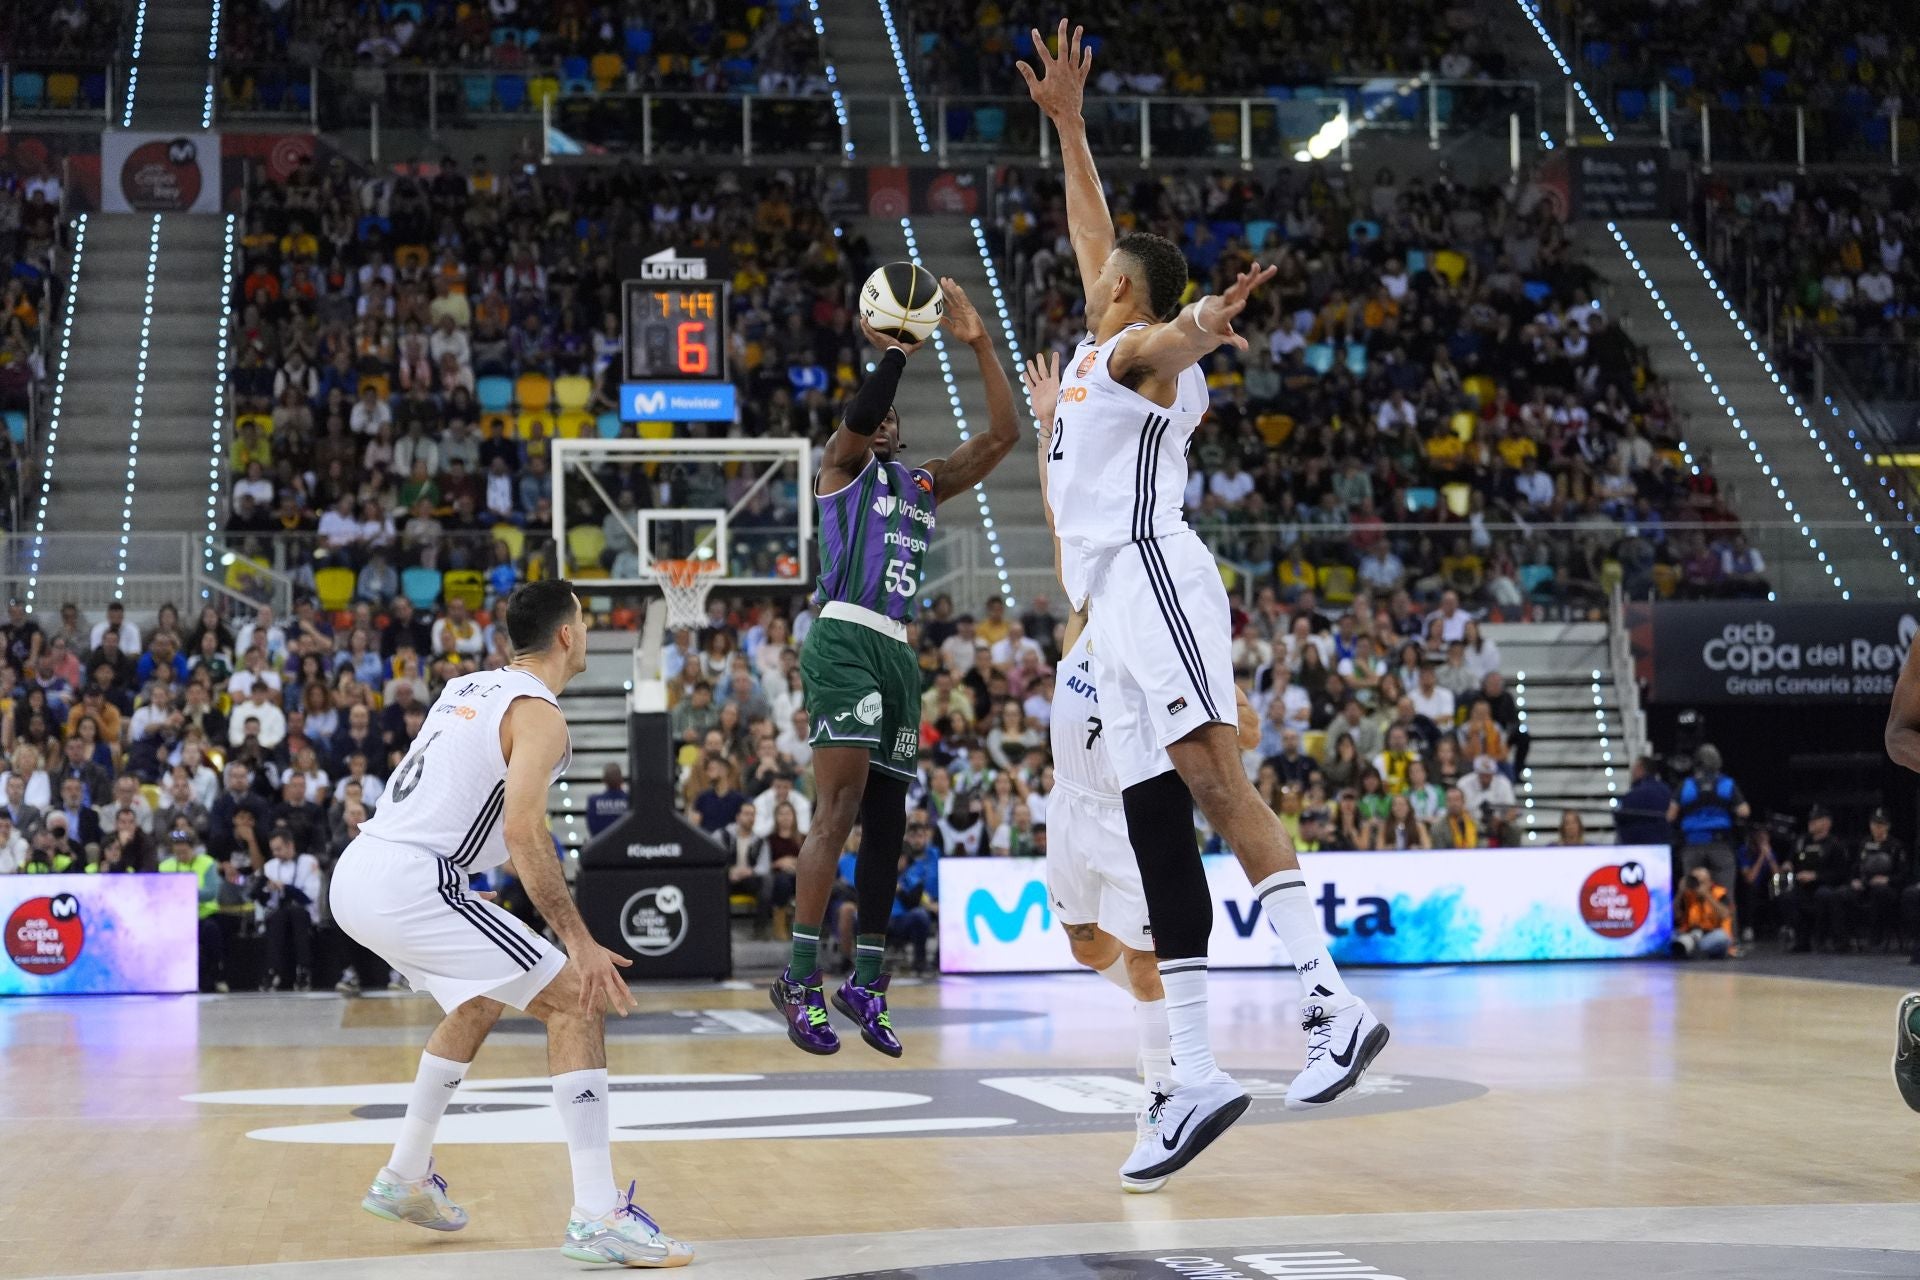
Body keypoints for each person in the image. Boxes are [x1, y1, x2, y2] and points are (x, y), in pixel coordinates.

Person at [1020, 20, 1385, 1187]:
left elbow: (1163, 334)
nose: (1093, 269)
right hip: (1107, 610)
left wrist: (1197, 327)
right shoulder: (1094, 346)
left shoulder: (1136, 355)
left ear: (1128, 291)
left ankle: (1331, 1005)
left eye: (1110, 271)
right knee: (1155, 823)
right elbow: (1094, 231)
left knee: (1218, 779)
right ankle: (1190, 1070)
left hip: (1152, 574)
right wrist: (1071, 125)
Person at [327, 581, 694, 1266]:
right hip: (413, 879)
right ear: (567, 635)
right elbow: (523, 831)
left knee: (480, 999)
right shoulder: (541, 715)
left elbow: (444, 786)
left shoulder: (465, 686)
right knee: (575, 1001)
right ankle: (597, 1215)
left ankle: (405, 1173)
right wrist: (579, 942)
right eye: (584, 621)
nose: (585, 632)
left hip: (363, 867)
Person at [773, 279, 1019, 1059]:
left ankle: (867, 984)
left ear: (903, 435)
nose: (880, 418)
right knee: (836, 810)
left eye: (891, 417)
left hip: (897, 651)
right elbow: (857, 412)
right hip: (844, 635)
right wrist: (897, 351)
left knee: (889, 825)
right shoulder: (841, 469)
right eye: (871, 413)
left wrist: (979, 345)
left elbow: (1004, 436)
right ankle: (801, 979)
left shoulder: (924, 483)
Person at [1667, 744, 1748, 910]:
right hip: (1721, 846)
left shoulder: (1686, 785)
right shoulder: (1727, 784)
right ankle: (1727, 934)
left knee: (1692, 891)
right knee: (1725, 893)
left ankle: (1693, 932)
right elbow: (1744, 811)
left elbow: (1671, 816)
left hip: (1692, 846)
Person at [254, 826, 321, 988]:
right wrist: (266, 890)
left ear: (290, 845)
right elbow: (267, 901)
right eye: (273, 850)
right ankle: (272, 970)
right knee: (278, 917)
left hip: (303, 910)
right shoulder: (270, 866)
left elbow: (310, 896)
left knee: (295, 914)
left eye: (279, 849)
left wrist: (284, 887)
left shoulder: (308, 862)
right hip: (280, 911)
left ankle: (303, 970)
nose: (276, 854)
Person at [1671, 866, 1733, 959]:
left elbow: (1725, 914)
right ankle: (1691, 950)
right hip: (1690, 934)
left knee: (1722, 937)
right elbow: (1676, 915)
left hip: (1710, 935)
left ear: (1709, 882)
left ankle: (1690, 950)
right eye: (1695, 881)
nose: (1697, 885)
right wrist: (1680, 892)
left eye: (1701, 882)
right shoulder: (1688, 895)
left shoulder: (1719, 893)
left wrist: (1707, 895)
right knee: (1668, 935)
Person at [1614, 757, 1673, 847]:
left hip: (1639, 845)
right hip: (1664, 843)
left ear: (1640, 769)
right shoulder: (1666, 790)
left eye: (1634, 769)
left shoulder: (1635, 793)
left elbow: (1621, 816)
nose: (1632, 773)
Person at [584, 763, 627, 839]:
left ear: (604, 780)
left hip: (601, 848)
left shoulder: (594, 802)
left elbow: (593, 831)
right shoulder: (631, 801)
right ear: (621, 779)